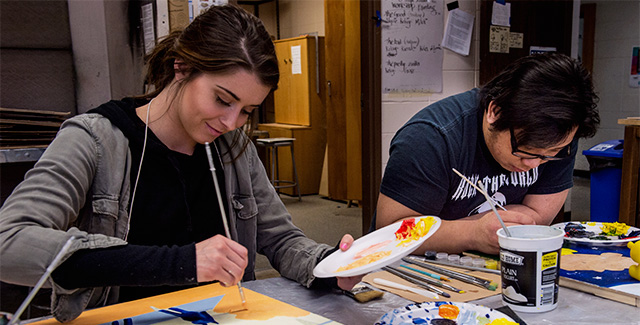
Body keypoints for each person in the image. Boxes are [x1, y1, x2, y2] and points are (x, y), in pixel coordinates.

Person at [0, 5, 359, 322]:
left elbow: (281, 239)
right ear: (182, 68)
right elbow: (9, 242)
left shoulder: (234, 149)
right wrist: (182, 261)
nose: (232, 122)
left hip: (221, 316)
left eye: (247, 111)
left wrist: (330, 264)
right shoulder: (96, 140)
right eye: (222, 99)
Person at [375, 53, 599, 255]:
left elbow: (536, 218)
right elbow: (392, 233)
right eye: (523, 151)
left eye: (548, 155)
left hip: (493, 265)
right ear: (495, 111)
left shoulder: (560, 137)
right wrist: (473, 233)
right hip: (412, 268)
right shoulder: (430, 139)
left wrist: (449, 229)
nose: (533, 163)